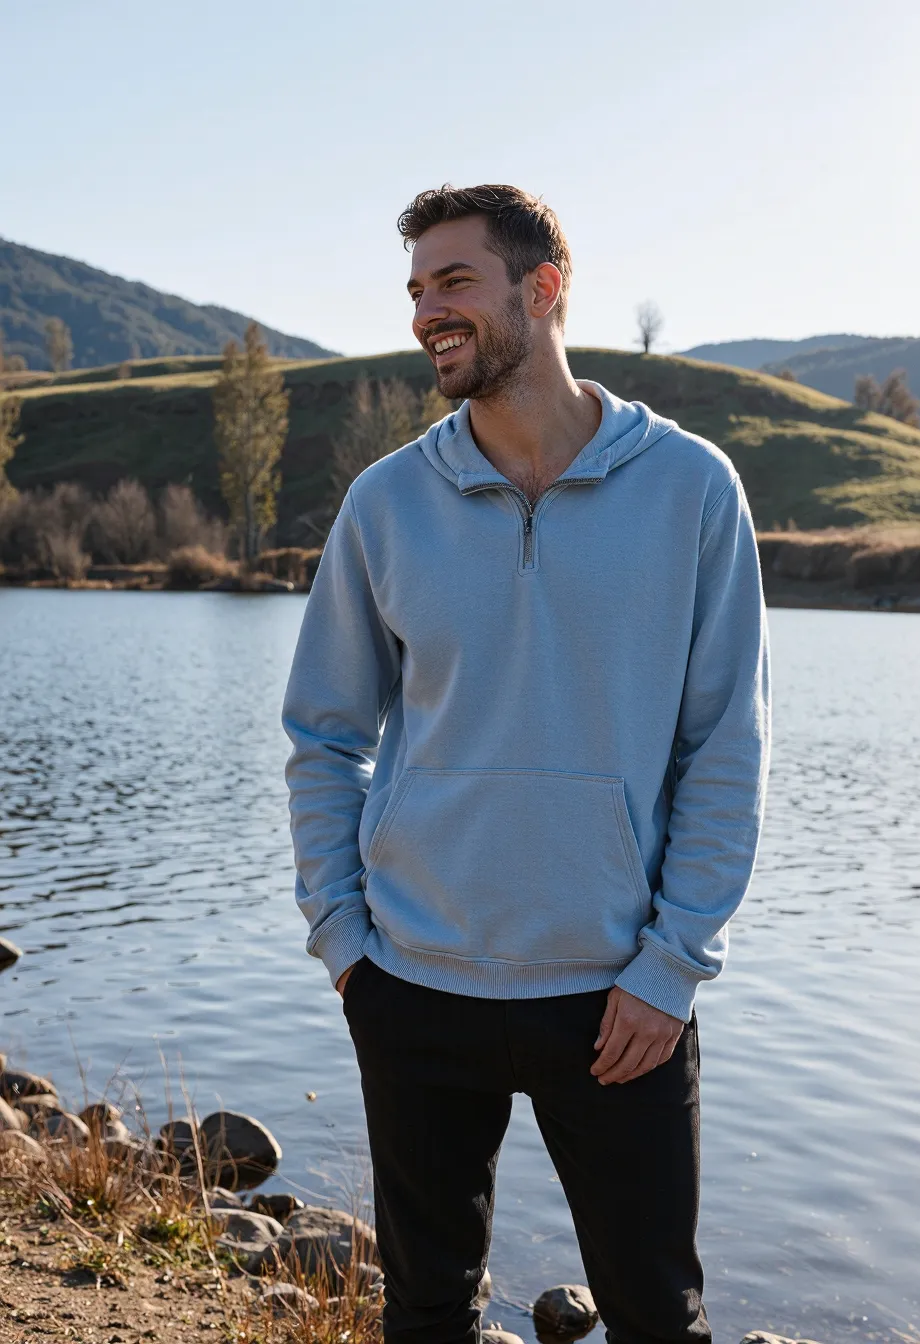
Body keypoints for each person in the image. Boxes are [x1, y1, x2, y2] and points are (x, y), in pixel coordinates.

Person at [282, 183, 771, 1344]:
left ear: (542, 289)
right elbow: (324, 735)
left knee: (658, 1315)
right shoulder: (386, 503)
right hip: (413, 982)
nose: (423, 313)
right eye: (414, 290)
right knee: (427, 1310)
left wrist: (673, 964)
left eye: (452, 282)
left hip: (618, 1002)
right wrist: (344, 942)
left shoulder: (694, 490)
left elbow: (725, 746)